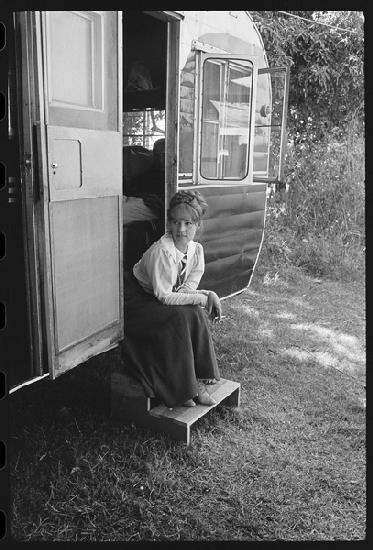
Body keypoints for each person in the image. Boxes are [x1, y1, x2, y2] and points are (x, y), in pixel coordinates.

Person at [120, 189, 222, 408]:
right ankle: (182, 390)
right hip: (134, 299)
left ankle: (200, 383)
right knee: (177, 320)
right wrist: (201, 299)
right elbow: (165, 296)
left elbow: (184, 289)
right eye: (175, 222)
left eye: (188, 223)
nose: (181, 229)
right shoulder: (162, 252)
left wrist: (207, 294)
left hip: (156, 295)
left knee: (194, 313)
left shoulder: (196, 252)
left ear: (198, 225)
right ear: (169, 223)